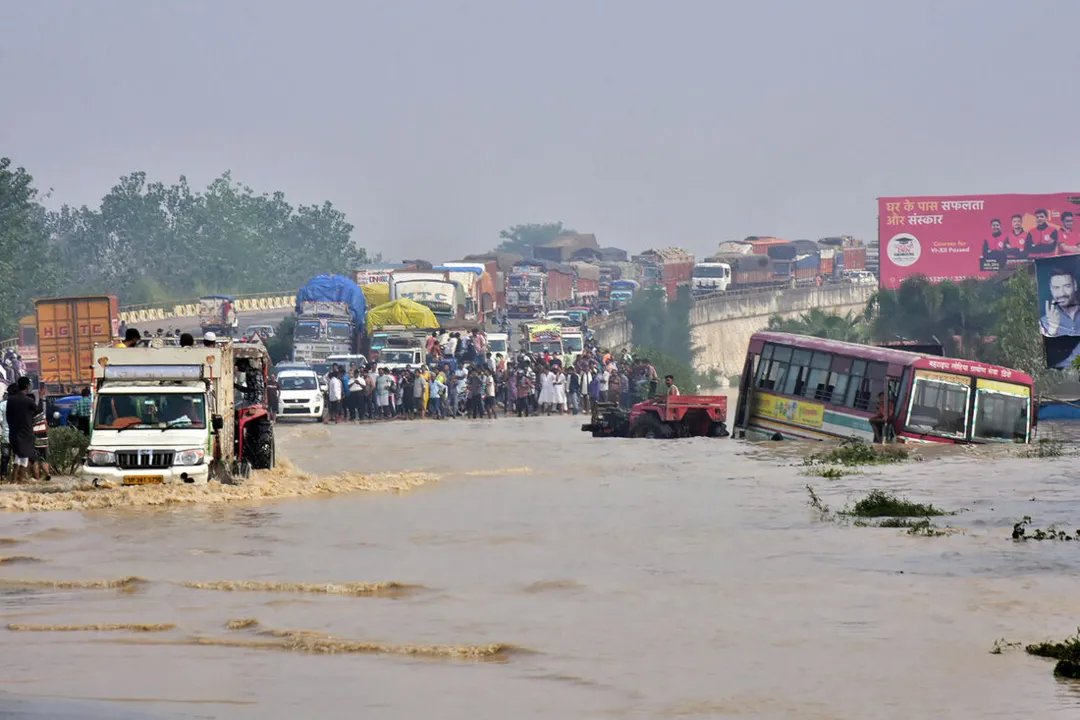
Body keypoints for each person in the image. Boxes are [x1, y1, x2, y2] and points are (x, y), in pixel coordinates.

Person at [5, 377, 39, 484]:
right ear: (27, 386)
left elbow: (8, 416)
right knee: (24, 457)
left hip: (14, 432)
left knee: (17, 456)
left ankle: (13, 480)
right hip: (26, 432)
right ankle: (20, 481)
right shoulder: (28, 400)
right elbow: (38, 410)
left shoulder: (11, 400)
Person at [1040, 266, 1080, 337]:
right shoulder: (1044, 322)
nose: (1062, 293)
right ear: (1051, 289)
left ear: (1075, 285)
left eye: (1067, 286)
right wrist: (1052, 332)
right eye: (1056, 288)